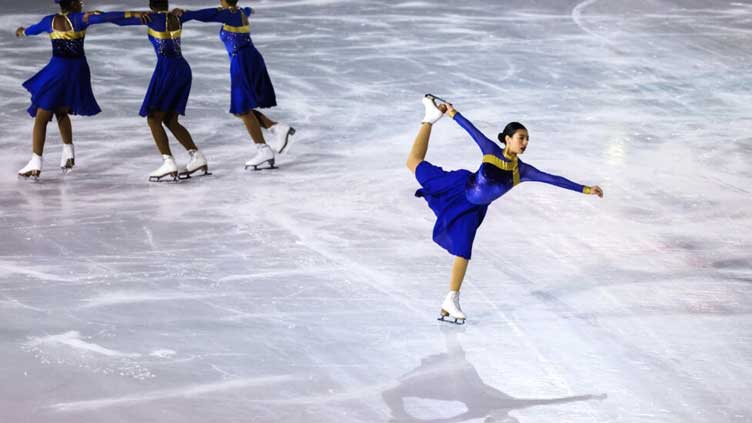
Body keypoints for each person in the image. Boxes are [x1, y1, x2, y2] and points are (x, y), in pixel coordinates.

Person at [406, 95, 604, 323]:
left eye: (527, 139)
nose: (525, 143)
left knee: (463, 250)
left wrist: (586, 189)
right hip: (457, 187)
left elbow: (553, 179)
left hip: (473, 209)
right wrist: (451, 113)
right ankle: (428, 119)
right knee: (413, 162)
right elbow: (472, 130)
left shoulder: (523, 171)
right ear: (508, 139)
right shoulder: (490, 150)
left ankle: (451, 299)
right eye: (521, 138)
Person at [15, 0, 148, 179]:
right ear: (71, 3)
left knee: (41, 117)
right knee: (61, 110)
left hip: (58, 70)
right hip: (78, 70)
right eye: (79, 1)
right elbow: (108, 17)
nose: (82, 3)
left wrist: (21, 32)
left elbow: (30, 30)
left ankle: (35, 162)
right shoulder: (80, 19)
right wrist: (136, 15)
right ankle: (68, 151)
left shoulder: (49, 21)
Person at [172, 1, 295, 171]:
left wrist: (182, 14)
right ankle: (275, 128)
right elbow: (244, 10)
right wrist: (250, 10)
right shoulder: (239, 12)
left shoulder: (229, 14)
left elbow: (206, 15)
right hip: (246, 59)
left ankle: (265, 147)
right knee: (241, 108)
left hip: (243, 61)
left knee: (241, 109)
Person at [103, 0, 210, 182]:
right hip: (183, 69)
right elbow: (205, 13)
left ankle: (168, 162)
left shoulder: (150, 18)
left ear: (151, 6)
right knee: (170, 120)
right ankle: (197, 157)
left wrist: (134, 14)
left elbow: (115, 19)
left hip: (167, 71)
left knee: (153, 119)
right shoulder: (177, 17)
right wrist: (185, 11)